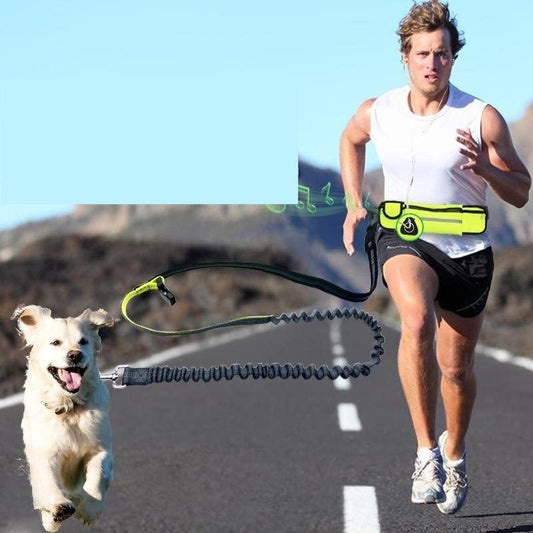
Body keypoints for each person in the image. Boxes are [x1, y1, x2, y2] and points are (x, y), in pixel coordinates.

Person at [339, 0, 530, 515]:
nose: (432, 63)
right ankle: (426, 452)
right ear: (405, 57)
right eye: (422, 53)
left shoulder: (480, 117)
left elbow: (522, 190)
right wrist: (356, 203)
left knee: (456, 370)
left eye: (441, 54)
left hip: (468, 253)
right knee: (416, 321)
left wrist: (487, 173)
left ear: (453, 57)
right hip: (407, 239)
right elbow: (350, 140)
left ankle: (455, 450)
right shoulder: (378, 111)